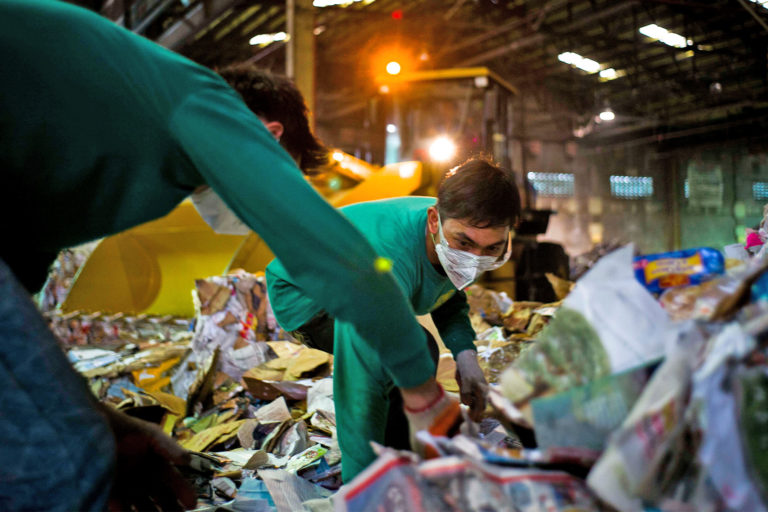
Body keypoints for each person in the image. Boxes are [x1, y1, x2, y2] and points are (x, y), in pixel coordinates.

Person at [0, 1, 437, 509]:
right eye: (282, 177)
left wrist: (96, 414)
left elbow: (19, 325)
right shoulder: (202, 101)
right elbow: (341, 260)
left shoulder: (80, 153)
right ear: (268, 137)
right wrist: (422, 389)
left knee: (73, 449)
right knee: (67, 470)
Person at [266, 158, 522, 481]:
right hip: (303, 292)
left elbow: (447, 291)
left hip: (349, 273)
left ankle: (399, 456)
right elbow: (359, 380)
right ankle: (383, 465)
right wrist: (361, 486)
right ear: (434, 221)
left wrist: (466, 356)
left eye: (493, 248)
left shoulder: (458, 227)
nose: (475, 260)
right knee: (405, 353)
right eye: (465, 244)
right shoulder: (389, 258)